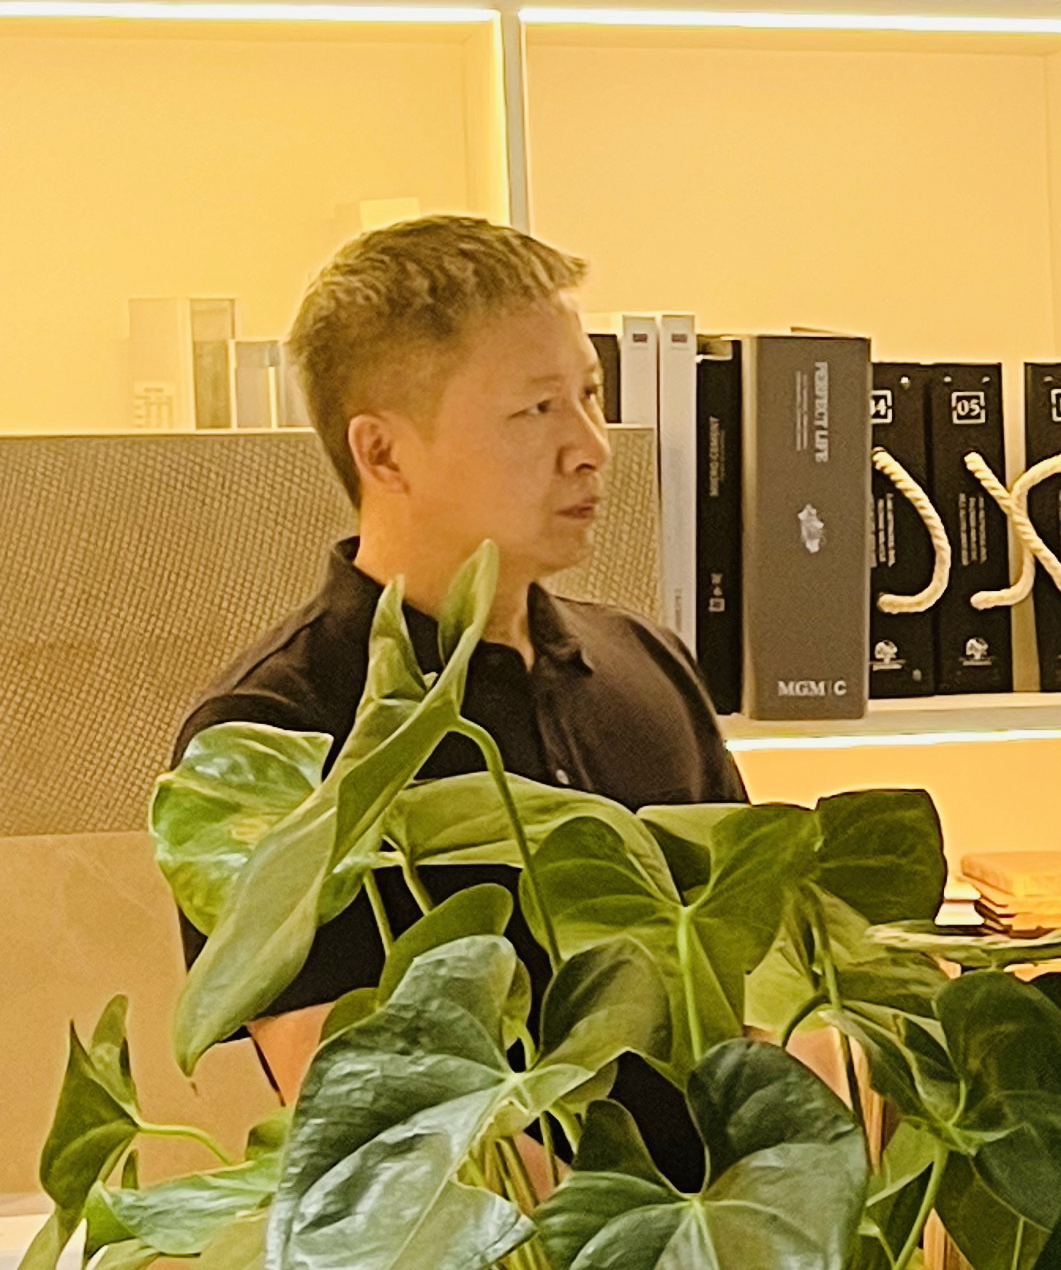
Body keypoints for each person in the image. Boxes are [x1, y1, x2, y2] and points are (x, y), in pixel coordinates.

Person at [180, 216, 745, 1097]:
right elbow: (374, 1131)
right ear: (383, 452)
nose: (591, 447)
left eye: (590, 394)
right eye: (536, 410)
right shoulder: (272, 734)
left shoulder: (651, 665)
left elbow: (760, 982)